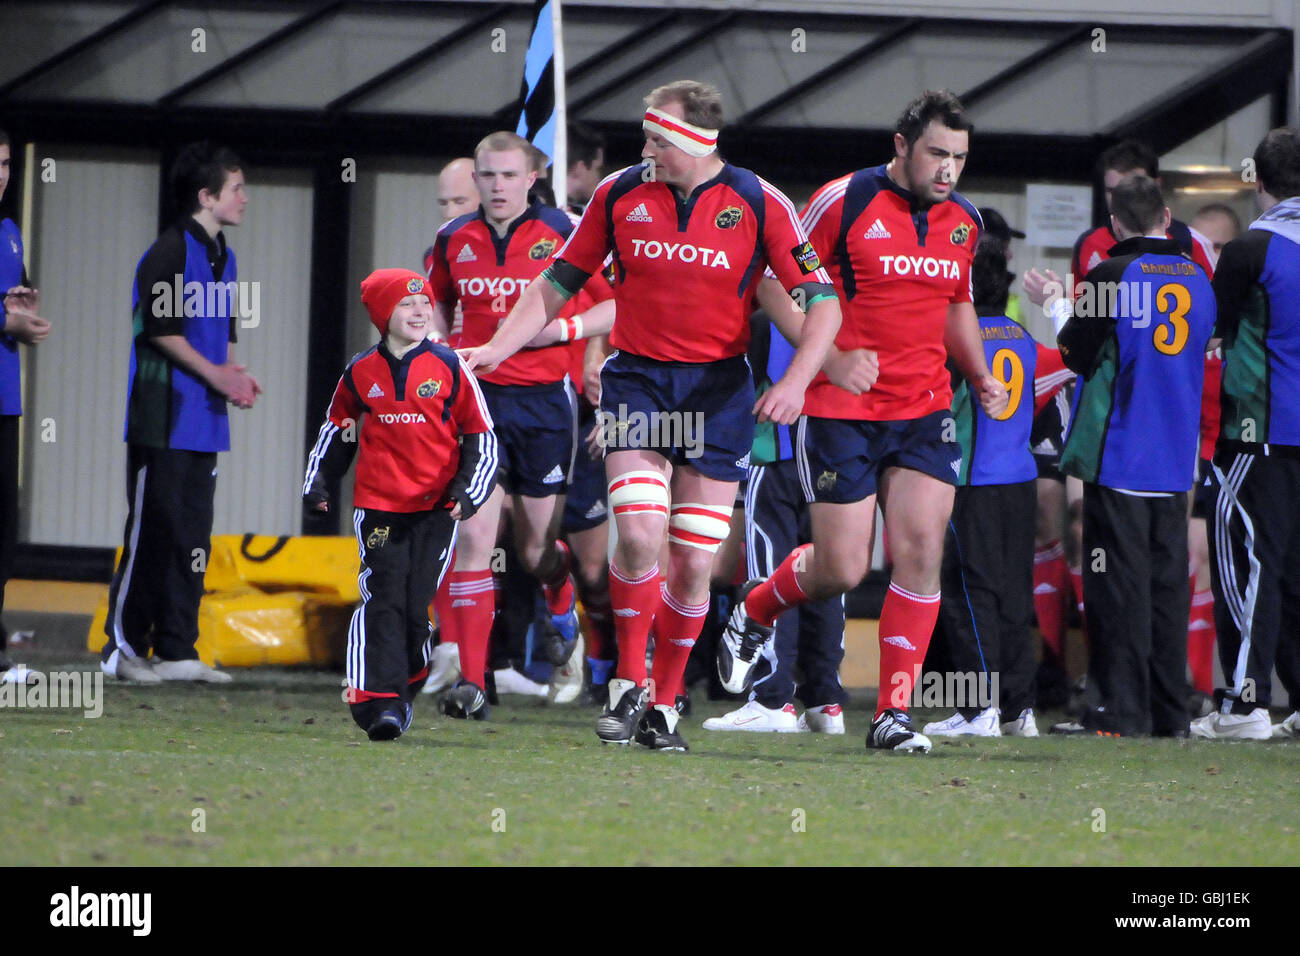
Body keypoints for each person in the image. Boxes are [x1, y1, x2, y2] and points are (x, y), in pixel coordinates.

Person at [462, 80, 842, 752]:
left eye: (659, 139)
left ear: (697, 141)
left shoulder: (758, 201)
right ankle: (626, 684)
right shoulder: (617, 194)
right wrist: (498, 345)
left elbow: (824, 304)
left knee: (694, 565)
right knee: (638, 537)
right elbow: (557, 283)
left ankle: (665, 705)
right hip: (636, 384)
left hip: (719, 397)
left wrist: (796, 381)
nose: (647, 149)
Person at [720, 90, 1008, 754]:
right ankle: (757, 608)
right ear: (902, 146)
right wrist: (835, 360)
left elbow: (955, 306)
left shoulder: (963, 221)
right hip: (841, 410)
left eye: (960, 157)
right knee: (844, 569)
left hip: (925, 409)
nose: (949, 170)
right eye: (937, 153)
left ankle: (891, 716)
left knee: (921, 555)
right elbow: (771, 280)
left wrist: (982, 373)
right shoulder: (841, 201)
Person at [426, 131, 614, 717]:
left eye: (509, 175)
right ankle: (474, 683)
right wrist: (436, 342)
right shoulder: (453, 239)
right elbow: (433, 299)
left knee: (535, 552)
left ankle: (561, 605)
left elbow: (614, 304)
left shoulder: (564, 231)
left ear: (531, 177)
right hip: (479, 407)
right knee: (476, 542)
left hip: (544, 408)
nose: (498, 186)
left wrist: (562, 334)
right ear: (475, 179)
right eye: (487, 176)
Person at [1026, 174, 1215, 737]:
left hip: (1122, 455)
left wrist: (1059, 305)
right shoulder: (1201, 281)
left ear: (1113, 226)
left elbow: (1075, 356)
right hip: (1177, 461)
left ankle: (1120, 710)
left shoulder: (1112, 273)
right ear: (1165, 219)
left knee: (1117, 587)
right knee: (1166, 587)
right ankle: (1170, 712)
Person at [302, 268, 497, 739]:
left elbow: (481, 435)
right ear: (380, 313)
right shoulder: (361, 370)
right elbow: (338, 430)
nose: (418, 310)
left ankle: (405, 684)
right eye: (406, 304)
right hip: (380, 509)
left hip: (434, 510)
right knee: (383, 596)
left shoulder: (451, 366)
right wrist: (320, 484)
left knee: (414, 609)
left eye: (424, 302)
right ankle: (376, 702)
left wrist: (467, 492)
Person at [100, 142, 261, 684]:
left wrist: (234, 376)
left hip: (204, 421)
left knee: (193, 534)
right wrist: (215, 375)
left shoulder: (226, 257)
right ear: (206, 196)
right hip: (162, 414)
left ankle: (177, 647)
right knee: (154, 529)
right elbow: (161, 332)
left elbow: (223, 335)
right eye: (236, 189)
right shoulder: (170, 251)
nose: (244, 198)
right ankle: (120, 649)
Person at [1191, 127, 1300, 740]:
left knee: (1248, 567)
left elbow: (1209, 330)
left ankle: (1243, 705)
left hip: (1259, 435)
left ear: (1255, 179)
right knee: (1294, 572)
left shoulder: (1249, 250)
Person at [923, 240, 1055, 738]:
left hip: (970, 482)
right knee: (1015, 593)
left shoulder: (957, 336)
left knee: (966, 592)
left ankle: (980, 710)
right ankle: (1020, 709)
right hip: (1020, 481)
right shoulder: (1021, 335)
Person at [702, 312, 851, 734]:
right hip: (833, 457)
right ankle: (826, 702)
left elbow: (735, 384)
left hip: (777, 453)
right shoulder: (844, 310)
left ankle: (771, 699)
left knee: (769, 577)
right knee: (824, 574)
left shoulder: (767, 317)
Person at [0, 127, 51, 674]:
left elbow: (11, 297)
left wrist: (22, 305)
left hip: (5, 399)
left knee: (5, 533)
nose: (2, 176)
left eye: (8, 164)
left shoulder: (10, 230)